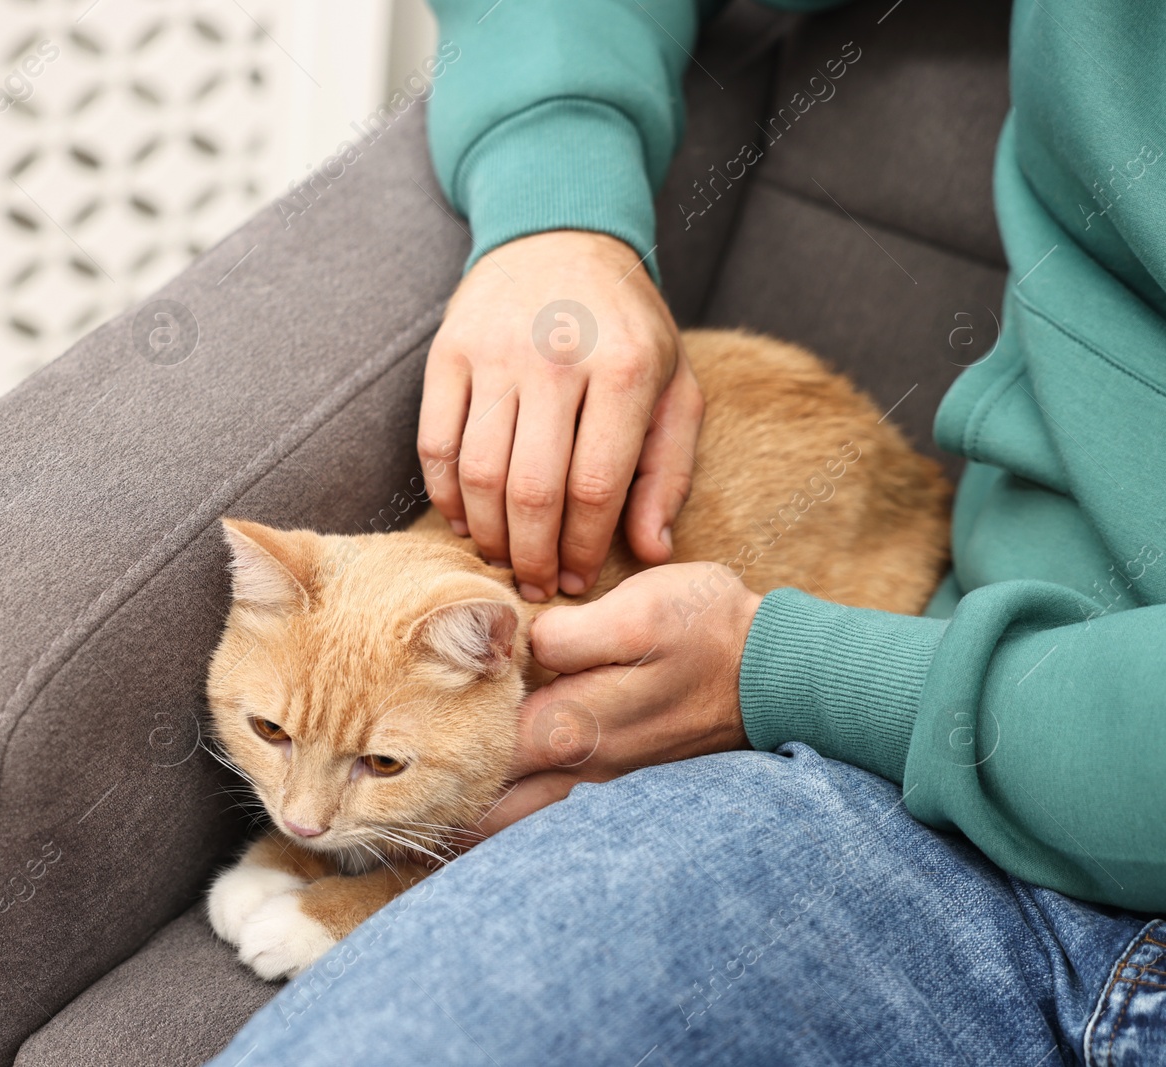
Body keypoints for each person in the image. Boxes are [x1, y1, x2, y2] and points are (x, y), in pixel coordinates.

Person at [210, 1, 1166, 1062]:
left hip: (909, 695)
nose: (300, 812)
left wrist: (790, 670)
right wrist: (555, 214)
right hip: (940, 770)